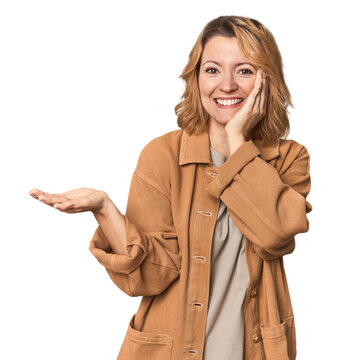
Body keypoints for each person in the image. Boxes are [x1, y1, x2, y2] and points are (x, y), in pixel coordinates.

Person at [28, 15, 312, 360]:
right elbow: (151, 275)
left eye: (245, 70)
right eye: (212, 70)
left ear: (267, 79)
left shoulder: (288, 158)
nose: (227, 85)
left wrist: (238, 140)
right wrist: (103, 208)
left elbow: (276, 235)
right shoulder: (162, 156)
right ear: (195, 79)